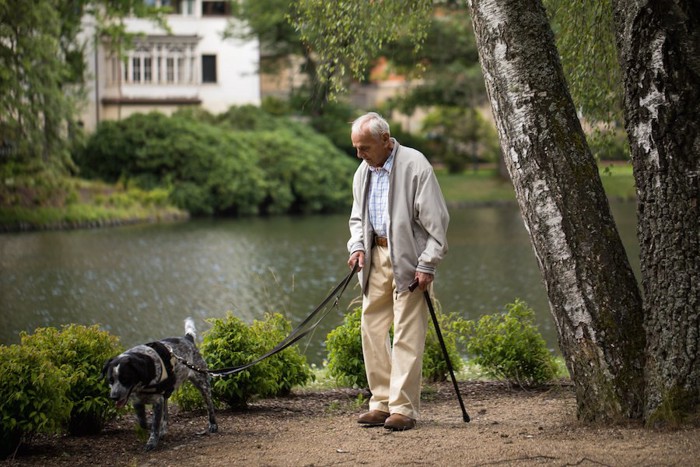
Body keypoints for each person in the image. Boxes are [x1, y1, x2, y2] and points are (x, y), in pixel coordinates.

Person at [346, 112, 449, 431]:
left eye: (364, 147)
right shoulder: (363, 172)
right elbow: (357, 219)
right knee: (371, 329)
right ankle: (381, 402)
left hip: (410, 259)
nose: (359, 155)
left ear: (386, 141)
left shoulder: (415, 165)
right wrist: (357, 246)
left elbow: (438, 222)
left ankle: (403, 407)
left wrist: (427, 262)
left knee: (407, 332)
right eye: (356, 148)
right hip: (375, 257)